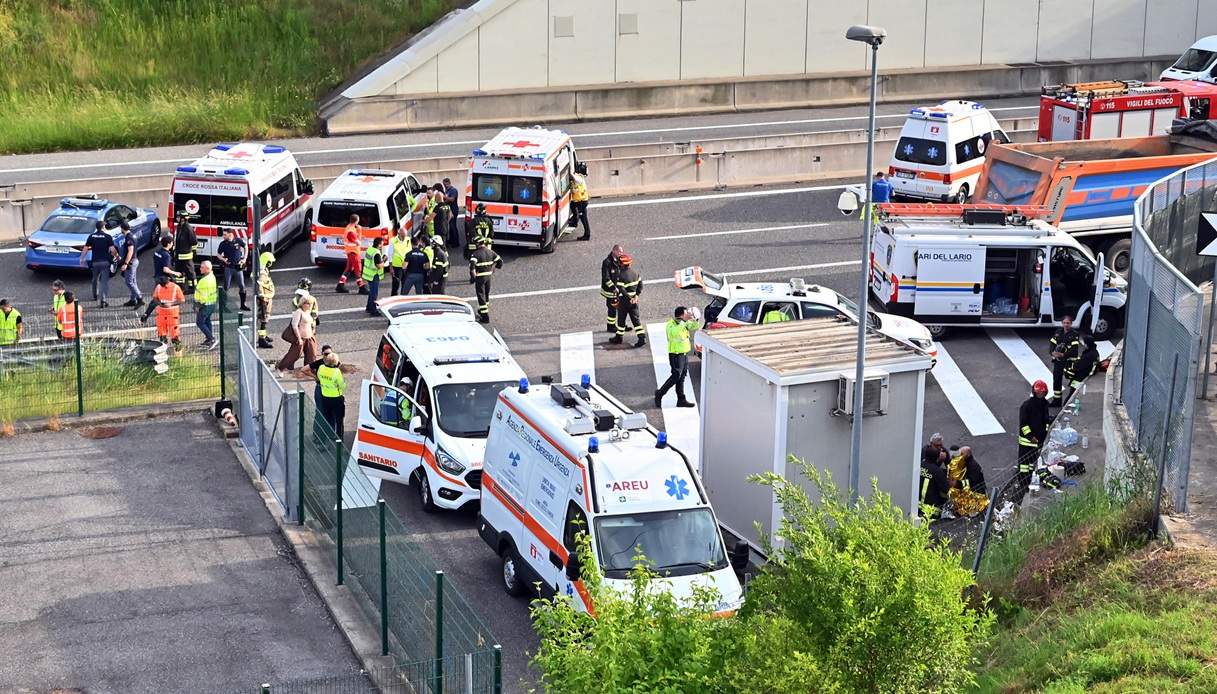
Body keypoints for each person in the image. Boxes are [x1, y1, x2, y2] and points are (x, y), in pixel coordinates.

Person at [654, 306, 701, 408]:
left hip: (683, 354)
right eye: (686, 314)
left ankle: (681, 400)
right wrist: (684, 323)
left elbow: (694, 326)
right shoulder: (671, 325)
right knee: (676, 376)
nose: (687, 315)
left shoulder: (684, 323)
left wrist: (696, 318)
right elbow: (674, 333)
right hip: (675, 354)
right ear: (680, 315)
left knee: (681, 377)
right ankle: (660, 393)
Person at [1015, 380, 1051, 504]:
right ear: (1035, 393)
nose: (1041, 395)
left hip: (1039, 440)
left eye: (1043, 393)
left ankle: (1030, 480)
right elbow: (1023, 424)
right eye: (1039, 393)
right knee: (1024, 465)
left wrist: (1046, 434)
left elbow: (1046, 420)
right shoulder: (1026, 406)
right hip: (1027, 442)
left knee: (1032, 464)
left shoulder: (1045, 404)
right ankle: (1022, 484)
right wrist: (1031, 437)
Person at [78, 220, 118, 307]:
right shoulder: (108, 237)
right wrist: (117, 256)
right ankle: (103, 301)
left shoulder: (91, 236)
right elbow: (112, 249)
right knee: (103, 282)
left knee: (94, 279)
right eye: (105, 226)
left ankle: (95, 296)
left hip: (95, 262)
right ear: (103, 227)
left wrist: (81, 258)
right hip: (105, 263)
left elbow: (85, 248)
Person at [143, 275, 185, 353]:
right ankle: (163, 350)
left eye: (164, 284)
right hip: (161, 314)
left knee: (174, 334)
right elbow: (155, 298)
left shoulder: (176, 287)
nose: (162, 285)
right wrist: (160, 303)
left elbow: (182, 300)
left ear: (168, 281)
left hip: (172, 315)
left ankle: (178, 351)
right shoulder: (159, 287)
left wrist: (171, 304)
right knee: (162, 334)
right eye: (161, 284)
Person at [610, 253, 645, 347]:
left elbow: (622, 290)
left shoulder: (620, 275)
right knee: (636, 320)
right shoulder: (635, 273)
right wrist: (636, 297)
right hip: (634, 301)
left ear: (621, 264)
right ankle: (642, 337)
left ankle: (619, 338)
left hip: (624, 301)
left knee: (621, 320)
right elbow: (640, 286)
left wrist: (629, 299)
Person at [279, 295, 319, 372]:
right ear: (303, 303)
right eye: (308, 303)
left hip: (310, 337)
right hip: (301, 338)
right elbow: (294, 325)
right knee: (294, 355)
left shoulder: (308, 312)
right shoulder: (298, 312)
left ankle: (308, 370)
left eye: (310, 303)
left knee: (312, 354)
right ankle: (281, 368)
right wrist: (299, 338)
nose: (309, 305)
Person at [946, 446, 988, 517]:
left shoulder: (973, 467)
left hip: (977, 494)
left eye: (962, 454)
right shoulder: (966, 462)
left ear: (967, 455)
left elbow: (971, 482)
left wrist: (958, 483)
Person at [1048, 315, 1080, 406]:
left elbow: (1074, 350)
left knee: (1072, 381)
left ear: (1071, 324)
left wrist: (1063, 354)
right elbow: (1052, 343)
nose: (1066, 325)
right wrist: (1052, 353)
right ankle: (1057, 400)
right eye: (1064, 323)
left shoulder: (1074, 334)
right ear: (1062, 323)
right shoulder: (1058, 332)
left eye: (1068, 323)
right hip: (1058, 361)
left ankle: (1071, 399)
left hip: (1069, 361)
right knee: (1057, 379)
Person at [314, 350, 346, 439]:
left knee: (326, 419)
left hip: (325, 398)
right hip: (336, 399)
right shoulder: (336, 372)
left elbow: (319, 378)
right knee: (339, 421)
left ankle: (324, 439)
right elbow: (342, 386)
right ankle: (339, 440)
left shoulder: (321, 368)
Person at [469, 239, 502, 324]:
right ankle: (483, 310)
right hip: (488, 276)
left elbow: (472, 267)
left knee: (481, 296)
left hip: (480, 277)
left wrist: (473, 278)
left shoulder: (475, 254)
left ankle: (485, 317)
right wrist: (493, 268)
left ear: (478, 244)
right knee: (486, 294)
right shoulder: (490, 252)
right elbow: (500, 261)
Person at [216, 228, 249, 310]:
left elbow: (246, 247)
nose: (223, 236)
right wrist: (223, 259)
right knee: (226, 286)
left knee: (242, 286)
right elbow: (218, 254)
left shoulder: (238, 240)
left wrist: (244, 258)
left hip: (238, 267)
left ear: (230, 234)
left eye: (225, 234)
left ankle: (243, 305)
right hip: (228, 268)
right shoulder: (223, 244)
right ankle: (223, 305)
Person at [919, 447, 953, 519]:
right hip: (931, 510)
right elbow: (946, 489)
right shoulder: (937, 472)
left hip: (915, 506)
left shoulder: (919, 465)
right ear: (937, 458)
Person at [1064, 333, 1100, 401]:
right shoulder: (1095, 352)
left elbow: (1076, 367)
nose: (1083, 344)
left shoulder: (1088, 355)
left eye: (1084, 343)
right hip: (1086, 376)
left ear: (1087, 344)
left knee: (1071, 397)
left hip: (1080, 379)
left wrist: (1070, 367)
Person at [117, 221, 143, 308]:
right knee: (133, 281)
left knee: (129, 282)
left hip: (131, 262)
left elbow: (130, 251)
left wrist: (125, 263)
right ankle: (133, 299)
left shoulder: (129, 238)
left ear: (122, 228)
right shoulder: (132, 235)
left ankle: (139, 298)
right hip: (134, 261)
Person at [336, 214, 364, 294]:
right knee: (357, 270)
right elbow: (358, 242)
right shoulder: (351, 232)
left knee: (349, 269)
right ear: (357, 221)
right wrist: (360, 231)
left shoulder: (349, 227)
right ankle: (361, 287)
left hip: (350, 252)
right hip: (354, 252)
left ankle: (340, 285)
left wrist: (359, 230)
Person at [255, 249, 276, 348]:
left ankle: (263, 335)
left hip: (266, 299)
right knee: (263, 320)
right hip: (264, 300)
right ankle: (261, 340)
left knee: (265, 319)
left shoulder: (264, 271)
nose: (271, 264)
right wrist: (262, 298)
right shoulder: (262, 273)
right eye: (270, 262)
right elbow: (259, 286)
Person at [600, 245, 624, 333]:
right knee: (612, 309)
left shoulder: (618, 260)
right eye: (619, 252)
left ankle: (620, 324)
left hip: (617, 290)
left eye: (621, 252)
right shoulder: (607, 262)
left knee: (620, 308)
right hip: (610, 292)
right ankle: (611, 326)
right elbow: (606, 278)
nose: (621, 253)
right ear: (614, 251)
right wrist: (613, 288)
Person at [195, 261, 219, 349]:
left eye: (202, 267)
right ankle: (209, 339)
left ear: (207, 269)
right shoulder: (212, 277)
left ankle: (212, 339)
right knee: (207, 321)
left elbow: (203, 296)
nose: (200, 269)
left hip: (204, 305)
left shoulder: (204, 281)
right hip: (211, 303)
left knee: (200, 322)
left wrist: (198, 306)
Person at [173, 212, 198, 293]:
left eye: (178, 217)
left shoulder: (188, 228)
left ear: (183, 218)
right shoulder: (180, 226)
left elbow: (194, 242)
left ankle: (192, 288)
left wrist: (193, 252)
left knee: (190, 273)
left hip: (186, 256)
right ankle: (180, 287)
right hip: (178, 255)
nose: (177, 218)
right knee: (179, 273)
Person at [363, 237, 387, 315]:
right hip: (374, 275)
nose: (383, 245)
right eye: (382, 243)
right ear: (379, 245)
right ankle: (373, 310)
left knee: (371, 292)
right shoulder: (376, 253)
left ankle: (369, 307)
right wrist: (384, 260)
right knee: (374, 293)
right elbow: (379, 266)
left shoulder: (370, 249)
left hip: (368, 274)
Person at [570, 163, 591, 240]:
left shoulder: (579, 178)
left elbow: (572, 176)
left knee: (584, 218)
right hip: (578, 200)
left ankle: (587, 234)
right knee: (572, 205)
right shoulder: (580, 177)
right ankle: (574, 221)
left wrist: (570, 170)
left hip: (581, 201)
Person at [388, 225, 411, 296]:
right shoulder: (393, 241)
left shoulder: (408, 239)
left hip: (406, 266)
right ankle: (393, 299)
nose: (404, 237)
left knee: (405, 284)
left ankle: (403, 299)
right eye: (403, 235)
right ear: (399, 234)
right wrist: (391, 267)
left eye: (405, 235)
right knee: (396, 284)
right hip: (396, 267)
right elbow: (390, 255)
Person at [443, 178, 460, 247]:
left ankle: (456, 242)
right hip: (449, 209)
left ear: (448, 183)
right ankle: (451, 240)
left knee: (453, 226)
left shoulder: (453, 190)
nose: (444, 185)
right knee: (450, 226)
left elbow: (452, 199)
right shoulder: (447, 190)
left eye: (445, 184)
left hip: (453, 209)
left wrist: (444, 197)